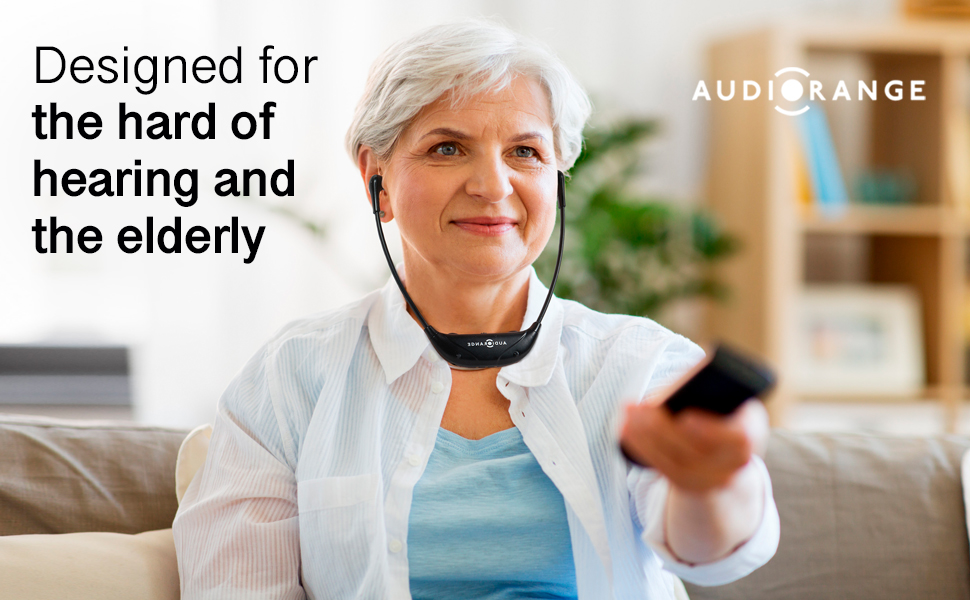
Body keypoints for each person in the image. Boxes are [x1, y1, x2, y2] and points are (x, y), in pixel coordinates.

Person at [173, 19, 779, 600]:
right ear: (375, 177)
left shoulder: (642, 364)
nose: (492, 185)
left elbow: (715, 553)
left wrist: (708, 484)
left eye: (525, 152)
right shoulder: (289, 378)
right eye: (447, 148)